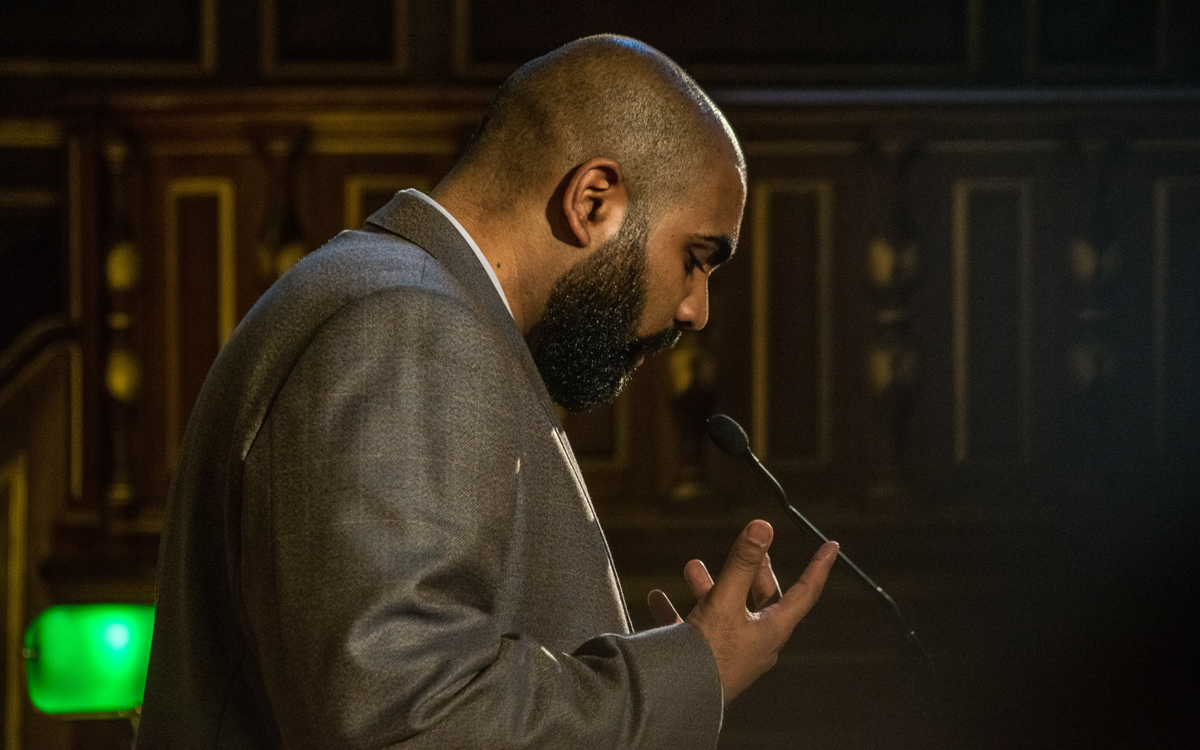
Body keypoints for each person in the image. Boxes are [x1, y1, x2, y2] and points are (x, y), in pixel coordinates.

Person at [136, 34, 839, 749]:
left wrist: (645, 668)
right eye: (695, 258)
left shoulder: (399, 302)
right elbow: (406, 719)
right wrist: (694, 673)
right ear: (593, 200)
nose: (697, 310)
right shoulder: (408, 326)